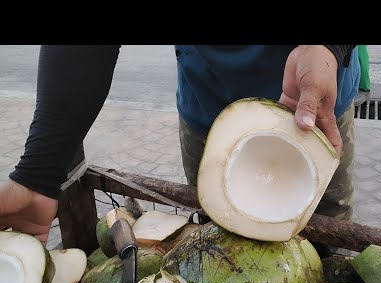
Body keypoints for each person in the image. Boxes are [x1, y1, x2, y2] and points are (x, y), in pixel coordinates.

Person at [0, 45, 360, 246]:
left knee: (328, 250)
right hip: (209, 97)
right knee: (220, 239)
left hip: (314, 98)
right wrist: (39, 173)